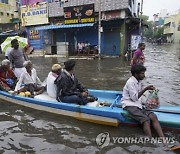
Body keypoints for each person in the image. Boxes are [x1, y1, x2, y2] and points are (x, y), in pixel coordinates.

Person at [121, 64, 165, 139]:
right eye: (142, 73)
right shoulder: (130, 82)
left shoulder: (138, 81)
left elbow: (138, 96)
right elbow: (134, 98)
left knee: (153, 116)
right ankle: (149, 139)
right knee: (146, 120)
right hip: (129, 105)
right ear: (135, 74)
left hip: (138, 104)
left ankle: (163, 139)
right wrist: (145, 89)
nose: (144, 75)